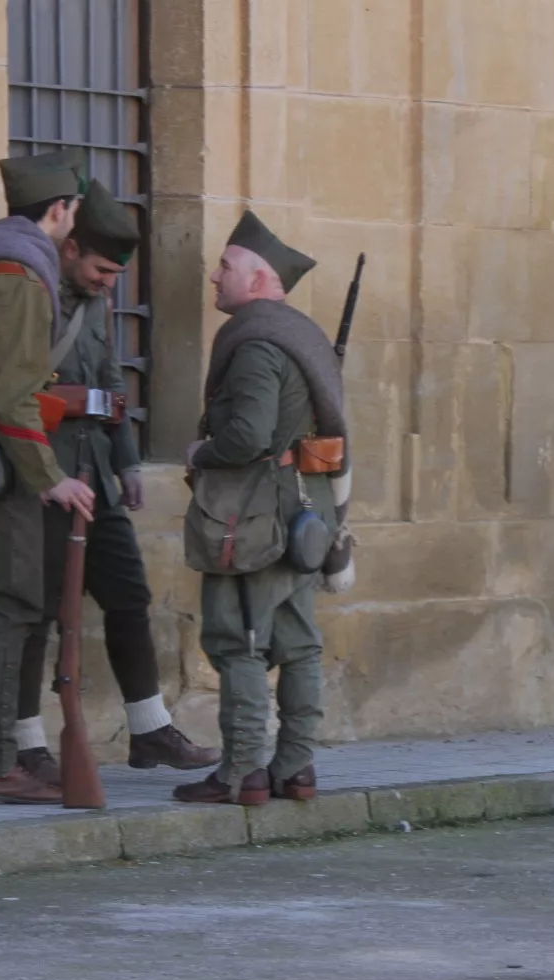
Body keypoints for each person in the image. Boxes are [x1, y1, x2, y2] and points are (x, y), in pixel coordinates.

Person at [13, 180, 220, 786]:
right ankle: (26, 743)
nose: (108, 283)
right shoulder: (28, 290)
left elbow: (112, 389)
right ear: (69, 247)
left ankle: (150, 727)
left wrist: (127, 462)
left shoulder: (95, 305)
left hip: (94, 477)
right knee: (37, 613)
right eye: (102, 269)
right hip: (40, 477)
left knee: (129, 597)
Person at [173, 211, 346, 806]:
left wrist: (202, 450)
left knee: (238, 639)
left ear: (259, 277)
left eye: (225, 266)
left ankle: (241, 771)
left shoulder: (256, 343)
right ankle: (295, 768)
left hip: (255, 514)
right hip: (305, 511)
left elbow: (248, 435)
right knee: (297, 641)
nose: (214, 276)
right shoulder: (302, 336)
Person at [0, 149, 93, 804]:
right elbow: (10, 395)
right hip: (3, 472)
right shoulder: (21, 275)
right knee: (13, 602)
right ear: (59, 211)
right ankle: (0, 757)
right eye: (72, 211)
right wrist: (50, 476)